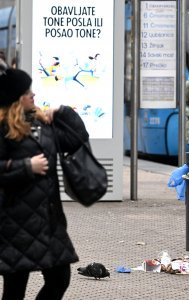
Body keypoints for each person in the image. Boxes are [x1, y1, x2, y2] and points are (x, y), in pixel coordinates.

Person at [0, 67, 89, 299]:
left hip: (49, 222)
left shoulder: (40, 123)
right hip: (15, 224)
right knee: (14, 289)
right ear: (16, 98)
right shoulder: (3, 129)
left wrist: (63, 112)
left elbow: (76, 139)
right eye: (27, 91)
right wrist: (26, 167)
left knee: (60, 280)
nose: (33, 95)